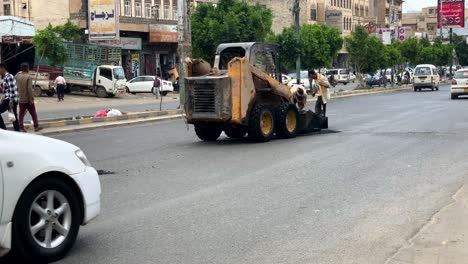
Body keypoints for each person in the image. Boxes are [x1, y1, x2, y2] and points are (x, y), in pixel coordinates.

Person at [16, 63, 42, 132]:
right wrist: (31, 99)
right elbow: (29, 89)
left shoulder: (18, 76)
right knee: (33, 113)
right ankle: (36, 126)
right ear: (27, 68)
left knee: (21, 114)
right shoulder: (28, 77)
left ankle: (21, 127)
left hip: (21, 98)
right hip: (27, 99)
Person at [0, 63, 19, 131]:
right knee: (13, 117)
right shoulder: (5, 77)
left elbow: (13, 89)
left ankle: (3, 129)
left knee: (13, 116)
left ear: (3, 68)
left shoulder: (9, 76)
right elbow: (7, 90)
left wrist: (11, 101)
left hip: (10, 100)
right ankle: (17, 131)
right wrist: (3, 97)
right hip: (9, 99)